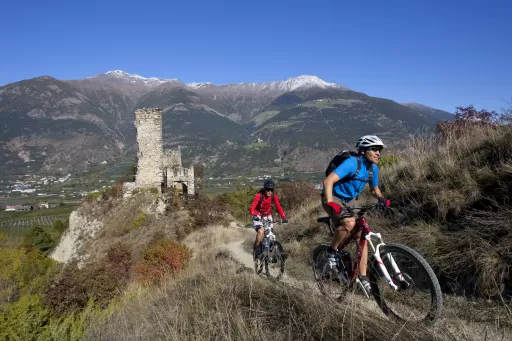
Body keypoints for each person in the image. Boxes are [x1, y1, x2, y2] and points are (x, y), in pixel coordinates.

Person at [321, 135, 390, 292]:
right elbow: (328, 181)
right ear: (363, 150)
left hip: (349, 201)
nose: (378, 153)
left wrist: (381, 198)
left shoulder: (373, 169)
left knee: (362, 236)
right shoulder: (352, 163)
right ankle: (331, 251)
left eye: (379, 150)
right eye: (374, 149)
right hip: (332, 196)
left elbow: (374, 188)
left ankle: (363, 277)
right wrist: (331, 202)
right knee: (349, 223)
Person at [249, 179, 288, 259]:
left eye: (271, 189)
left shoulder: (274, 196)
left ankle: (268, 252)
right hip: (257, 214)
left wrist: (283, 217)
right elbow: (252, 208)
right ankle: (256, 250)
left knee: (271, 235)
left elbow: (279, 207)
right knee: (261, 231)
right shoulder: (259, 196)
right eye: (267, 189)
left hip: (267, 215)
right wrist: (254, 215)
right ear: (264, 189)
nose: (269, 191)